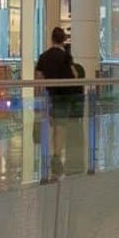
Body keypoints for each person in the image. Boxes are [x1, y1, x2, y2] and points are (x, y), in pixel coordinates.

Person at [36, 25, 81, 173]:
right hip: (64, 96)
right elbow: (74, 75)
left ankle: (54, 152)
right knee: (60, 127)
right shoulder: (66, 57)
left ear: (51, 38)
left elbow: (38, 77)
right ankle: (57, 154)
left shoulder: (44, 56)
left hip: (50, 95)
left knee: (54, 125)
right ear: (63, 40)